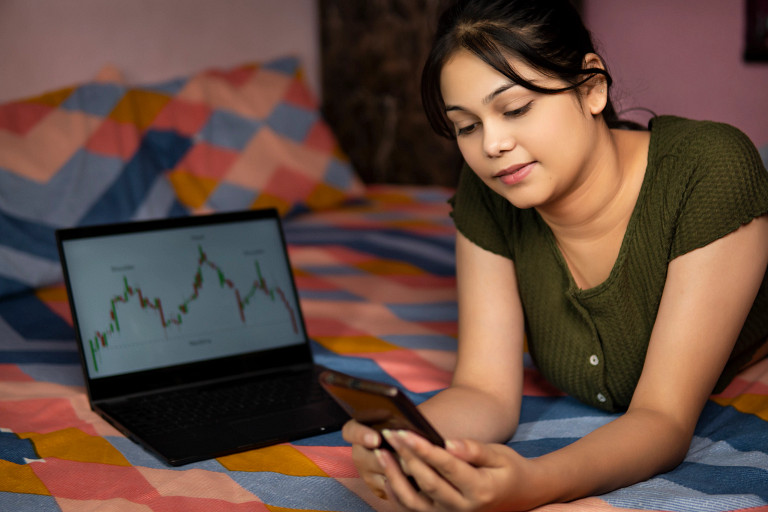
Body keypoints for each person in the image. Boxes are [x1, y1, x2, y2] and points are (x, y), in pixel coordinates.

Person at [342, 0, 768, 510]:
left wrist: (529, 484)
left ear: (591, 87)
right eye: (467, 126)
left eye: (516, 108)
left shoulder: (709, 171)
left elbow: (663, 420)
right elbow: (484, 392)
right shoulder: (490, 192)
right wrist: (410, 445)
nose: (492, 145)